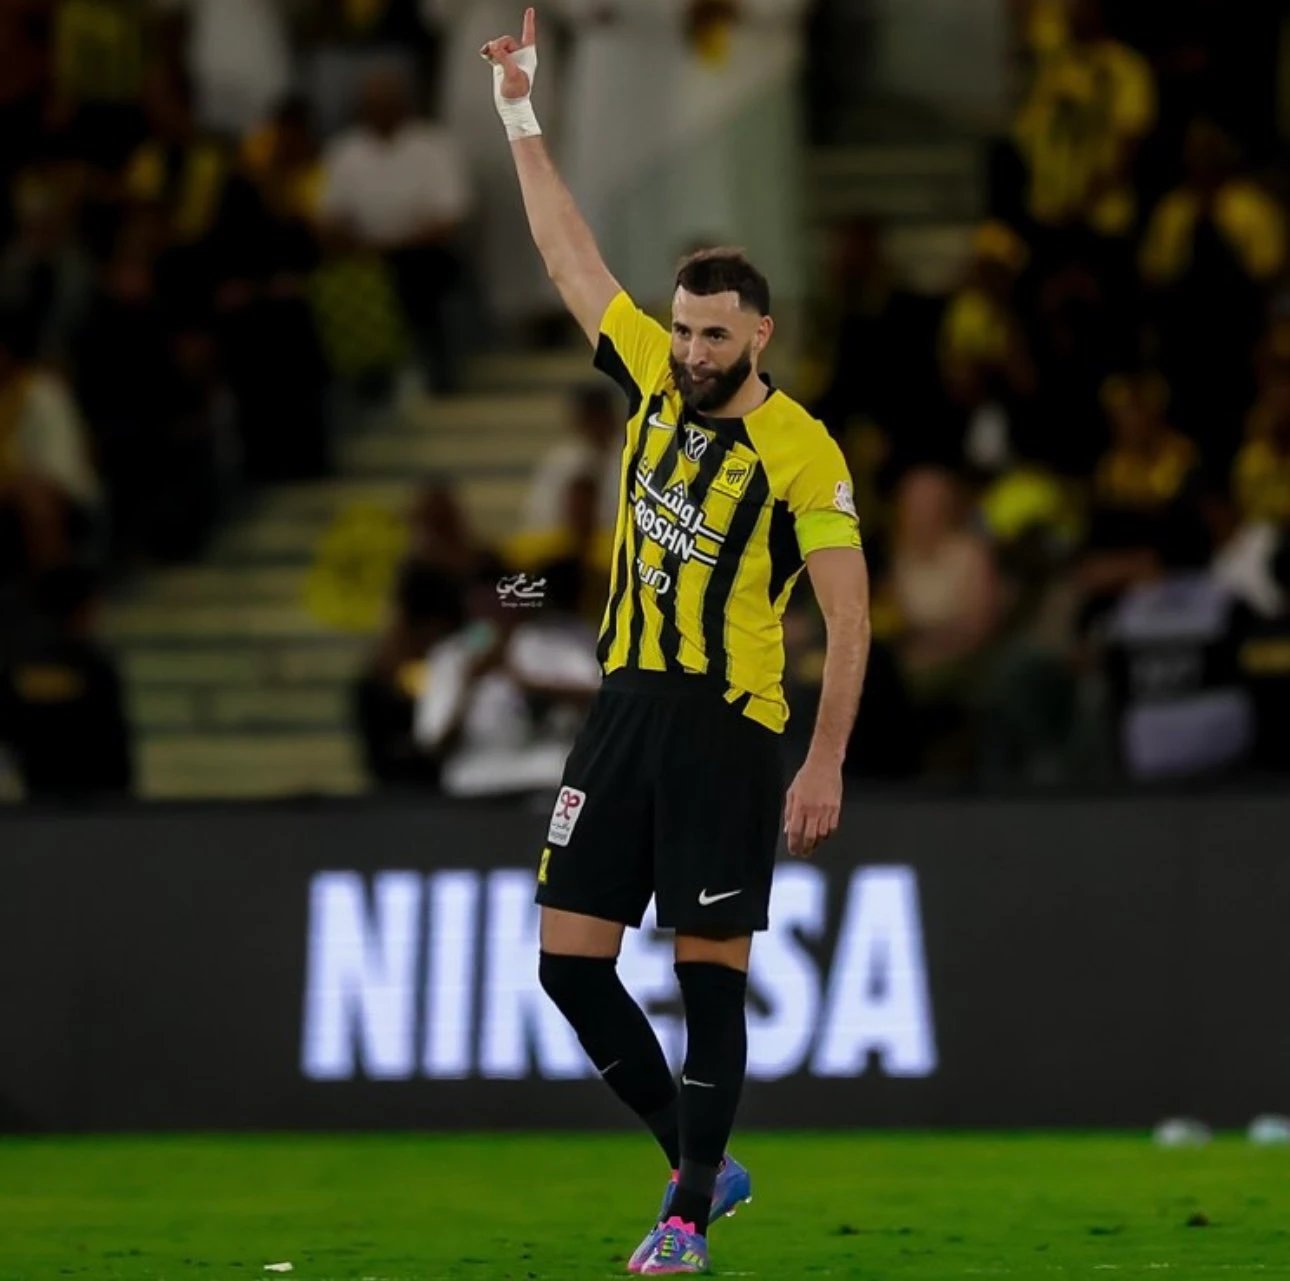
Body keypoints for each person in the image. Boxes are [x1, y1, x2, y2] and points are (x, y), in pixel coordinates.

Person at [481, 11, 870, 1274]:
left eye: (714, 334)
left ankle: (688, 1218)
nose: (692, 351)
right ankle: (698, 1158)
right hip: (624, 710)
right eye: (683, 328)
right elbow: (567, 255)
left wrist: (823, 759)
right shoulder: (650, 376)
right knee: (568, 965)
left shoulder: (803, 451)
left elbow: (851, 614)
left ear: (760, 335)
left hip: (727, 724)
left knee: (709, 979)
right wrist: (519, 110)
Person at [0, 565, 133, 801]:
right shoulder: (92, 665)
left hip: (41, 791)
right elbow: (113, 738)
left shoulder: (17, 663)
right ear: (82, 609)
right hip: (88, 793)